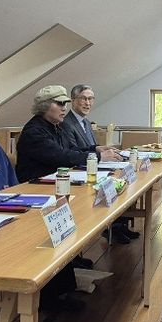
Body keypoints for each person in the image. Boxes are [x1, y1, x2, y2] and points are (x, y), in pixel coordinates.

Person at [63, 84, 138, 245]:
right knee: (114, 181)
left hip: (94, 168)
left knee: (123, 179)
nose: (87, 103)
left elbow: (91, 147)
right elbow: (73, 152)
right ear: (73, 100)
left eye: (90, 99)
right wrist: (100, 155)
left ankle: (119, 225)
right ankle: (112, 228)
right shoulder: (66, 123)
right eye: (83, 98)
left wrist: (103, 150)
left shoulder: (86, 122)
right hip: (80, 172)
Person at [15, 84, 120, 182]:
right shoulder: (34, 131)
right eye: (60, 103)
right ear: (44, 106)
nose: (64, 108)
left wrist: (95, 149)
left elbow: (70, 149)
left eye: (65, 104)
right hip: (35, 186)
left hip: (54, 181)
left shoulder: (54, 126)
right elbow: (62, 156)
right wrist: (98, 156)